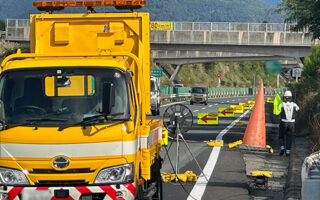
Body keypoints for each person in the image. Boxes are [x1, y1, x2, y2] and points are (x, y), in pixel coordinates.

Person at [279, 90, 299, 156]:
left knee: (281, 136)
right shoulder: (294, 104)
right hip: (292, 123)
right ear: (291, 97)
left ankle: (282, 148)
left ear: (285, 97)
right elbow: (298, 109)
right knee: (289, 137)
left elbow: (278, 111)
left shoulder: (281, 104)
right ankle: (288, 152)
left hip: (283, 122)